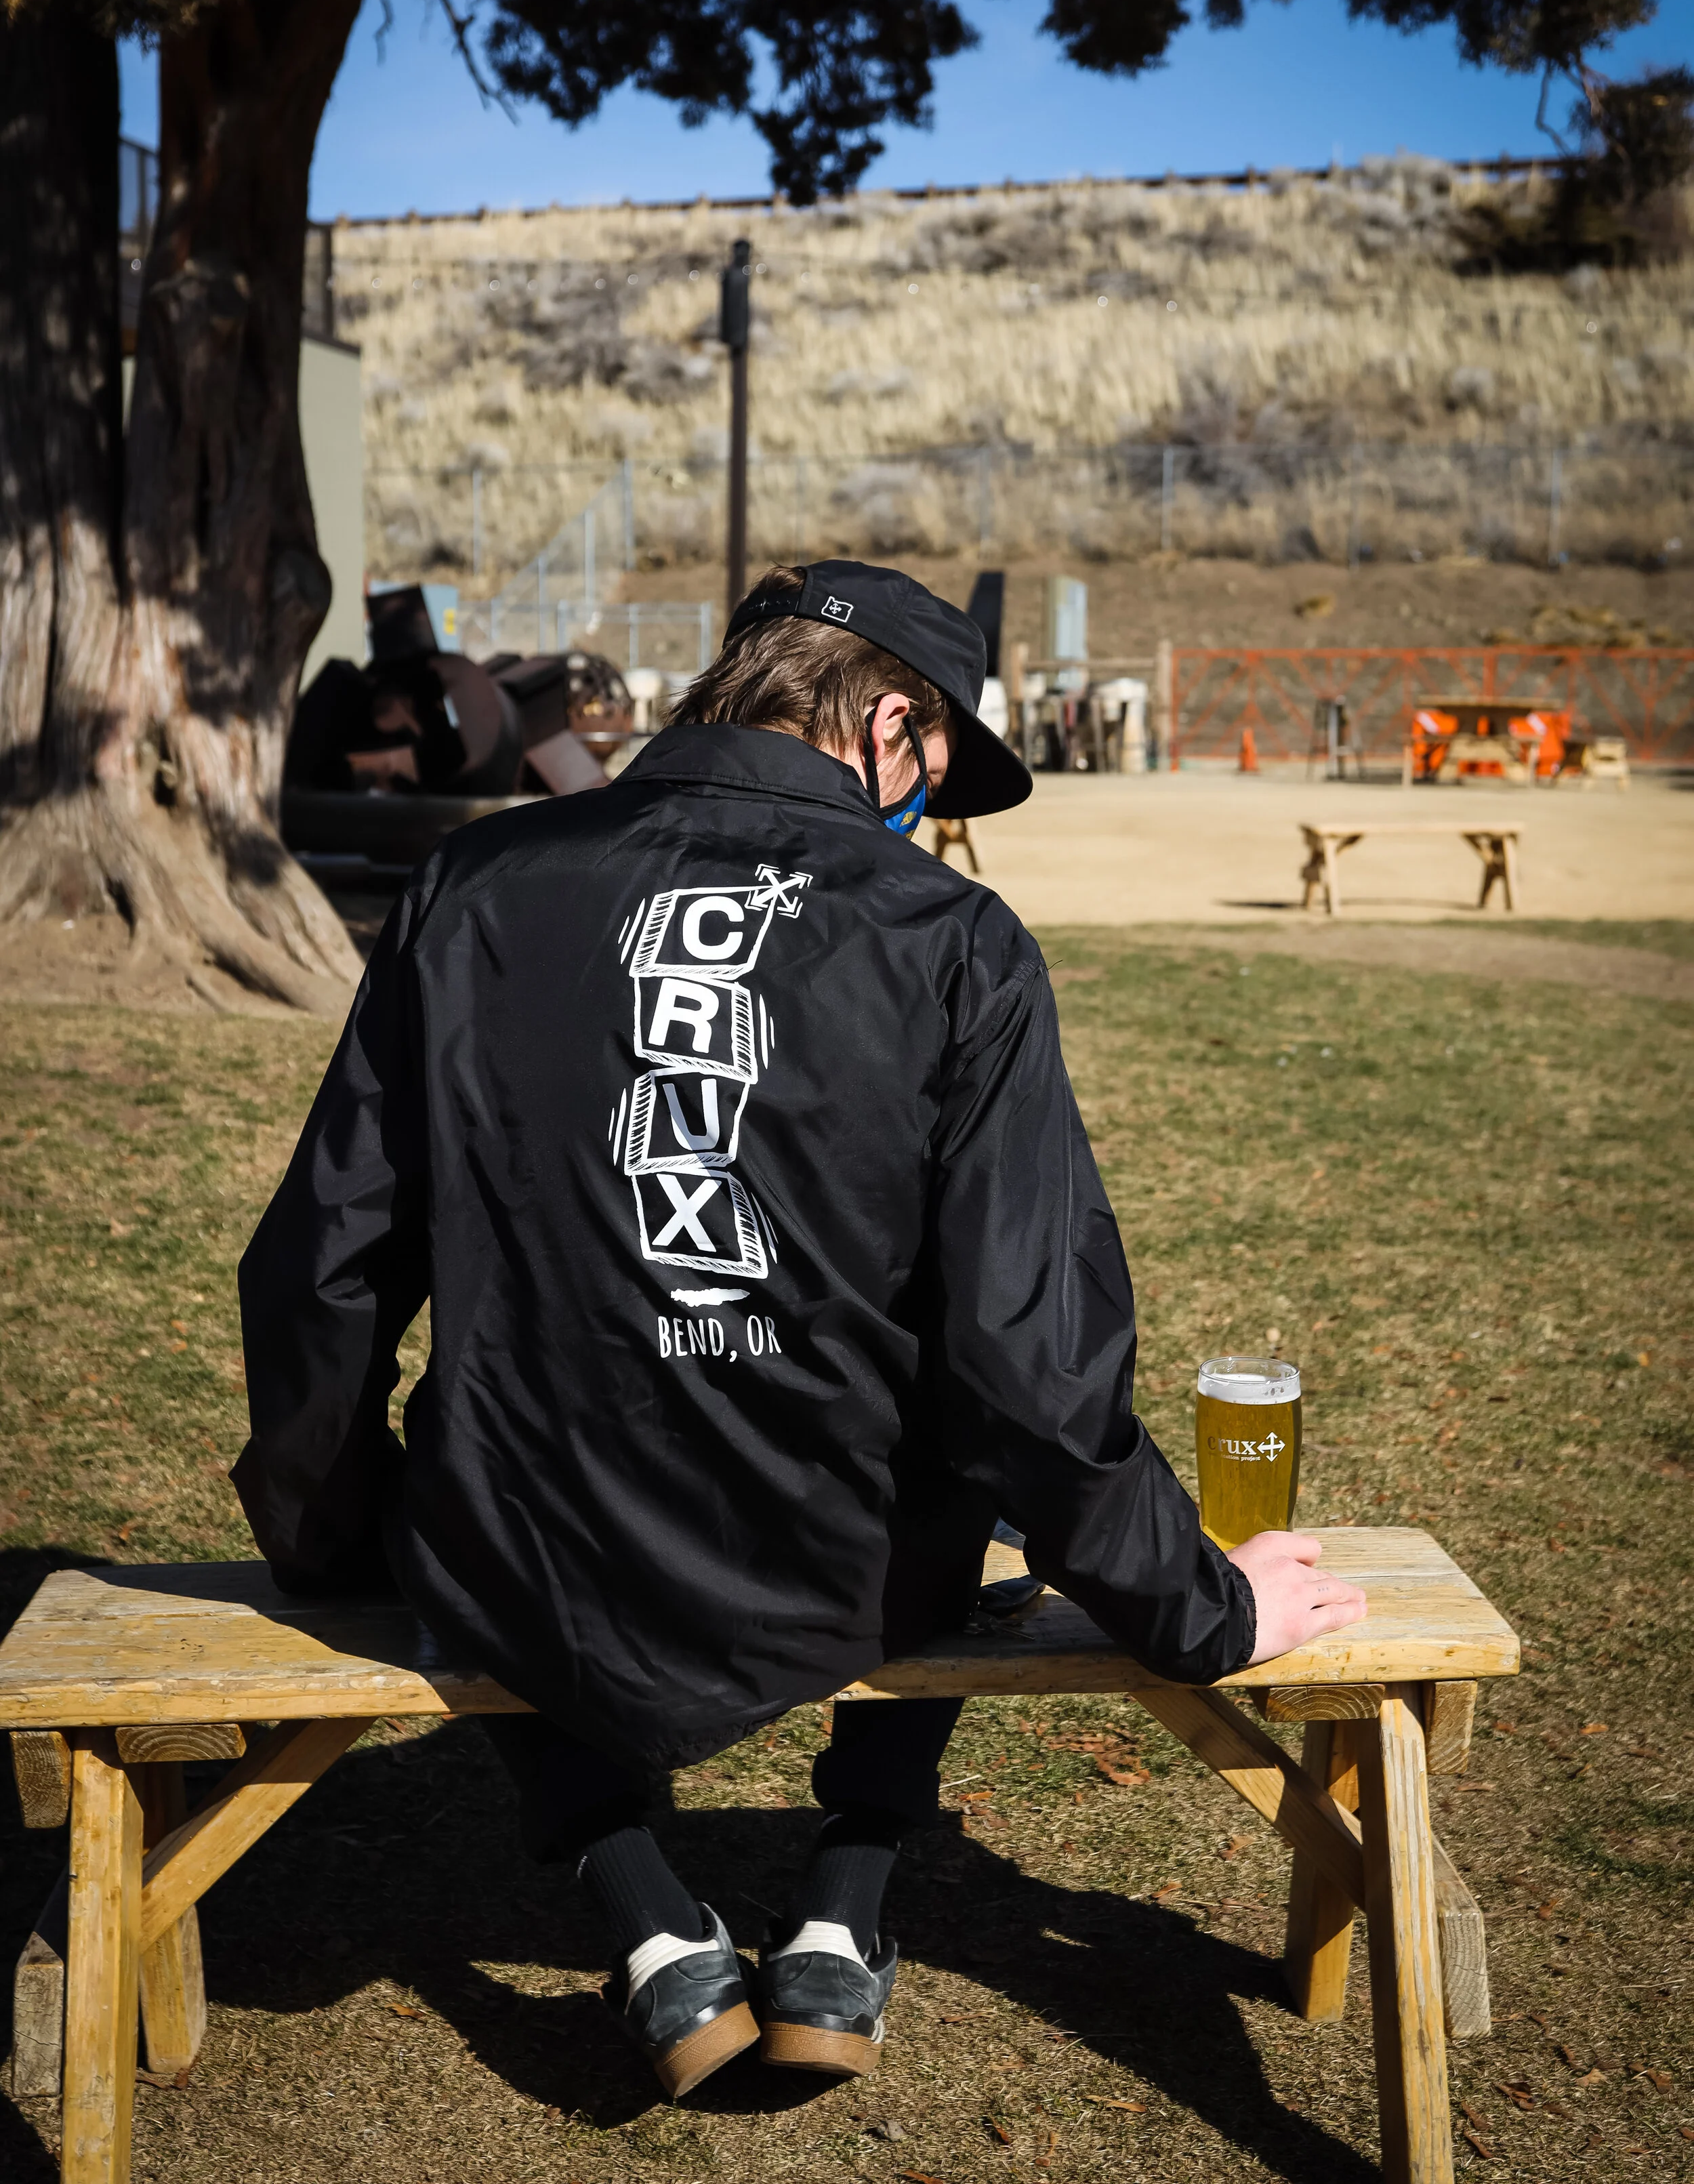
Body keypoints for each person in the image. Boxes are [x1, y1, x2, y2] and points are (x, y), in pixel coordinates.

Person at [235, 559, 1365, 2101]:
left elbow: (326, 1264)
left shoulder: (473, 885)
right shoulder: (953, 938)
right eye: (934, 778)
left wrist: (326, 1536)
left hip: (528, 1547)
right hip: (849, 1564)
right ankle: (842, 1905)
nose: (925, 818)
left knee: (475, 1486)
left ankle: (644, 1918)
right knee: (944, 1456)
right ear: (888, 719)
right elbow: (1024, 1365)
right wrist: (1201, 1612)